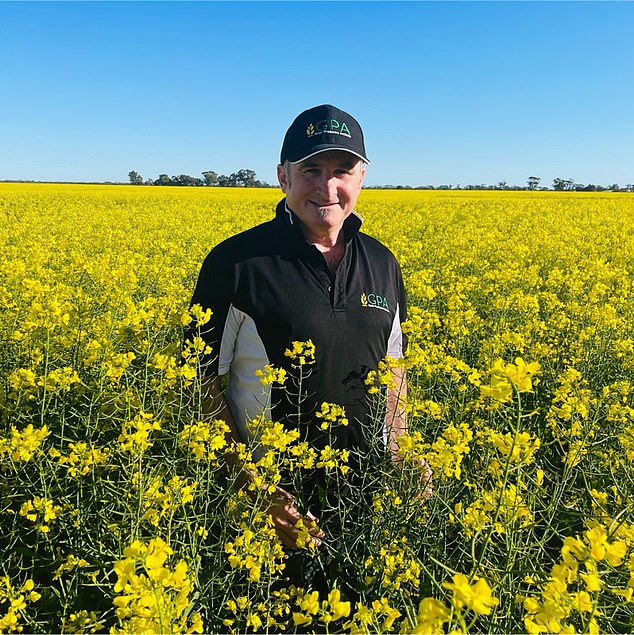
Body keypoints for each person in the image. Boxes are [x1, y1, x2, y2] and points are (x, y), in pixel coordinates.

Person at [189, 104, 431, 589]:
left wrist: (402, 448)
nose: (328, 188)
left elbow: (394, 367)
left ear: (362, 177)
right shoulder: (236, 264)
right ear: (282, 177)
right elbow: (197, 384)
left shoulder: (383, 263)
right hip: (271, 505)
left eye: (342, 171)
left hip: (368, 494)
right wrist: (256, 490)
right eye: (311, 171)